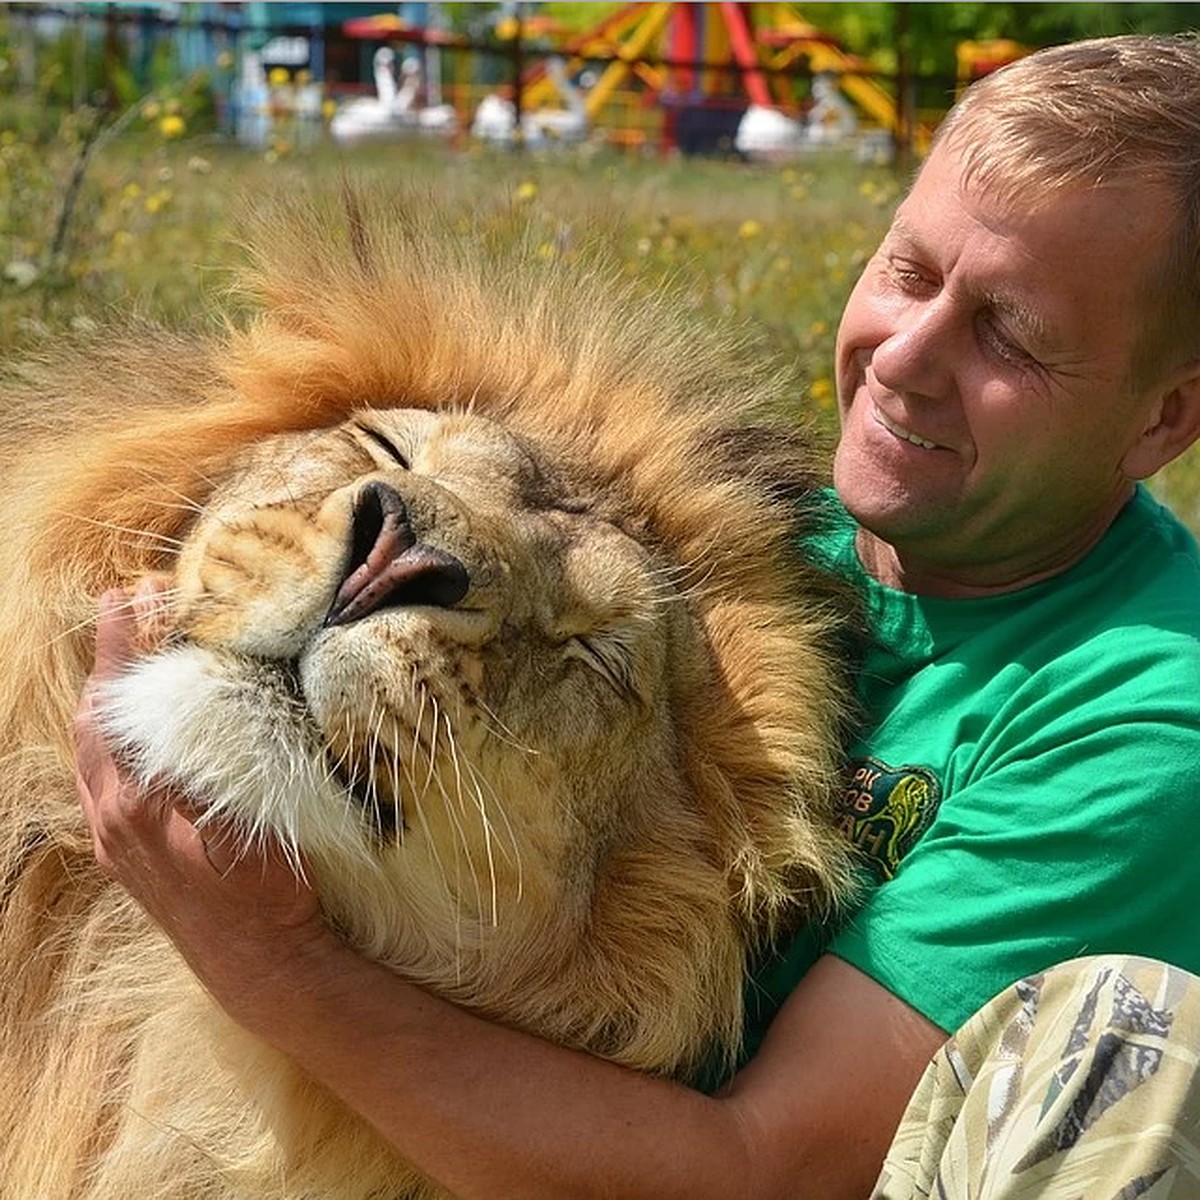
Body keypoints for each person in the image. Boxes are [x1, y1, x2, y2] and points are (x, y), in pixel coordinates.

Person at [75, 33, 1200, 1199]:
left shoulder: (1147, 727)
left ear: (1164, 420)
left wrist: (259, 951)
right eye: (909, 272)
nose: (903, 360)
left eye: (1009, 332)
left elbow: (759, 1169)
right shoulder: (781, 538)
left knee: (1128, 1041)